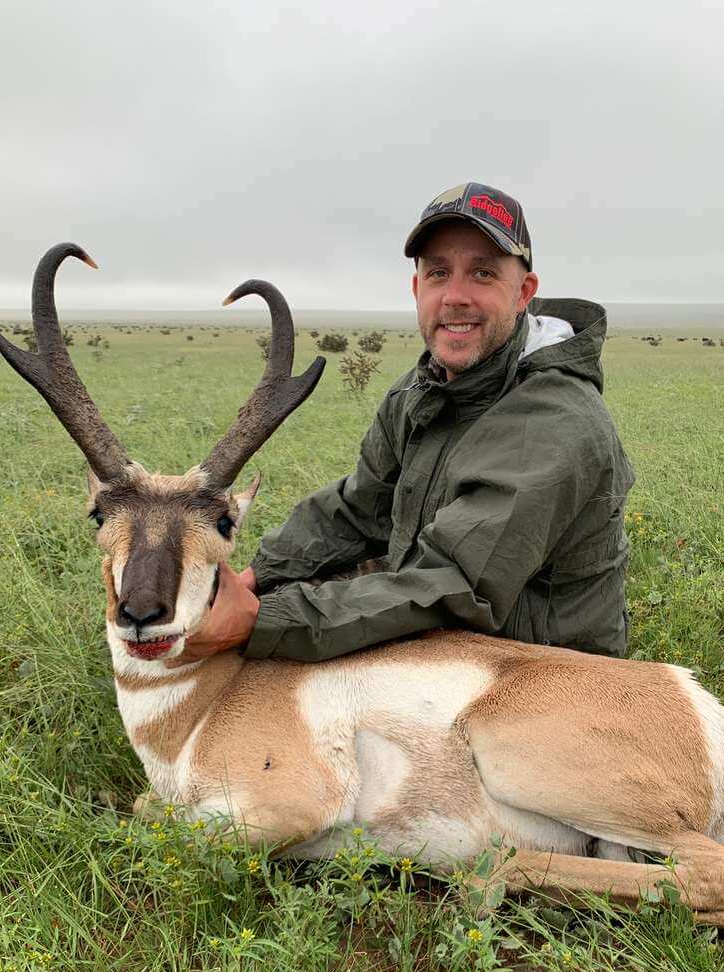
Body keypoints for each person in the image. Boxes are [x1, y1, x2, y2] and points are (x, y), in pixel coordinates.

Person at [181, 182, 635, 664]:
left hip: (545, 664)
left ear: (524, 293)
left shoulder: (557, 420)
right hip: (459, 630)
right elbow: (359, 508)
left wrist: (259, 619)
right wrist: (256, 578)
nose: (455, 296)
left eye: (483, 273)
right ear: (418, 288)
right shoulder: (419, 391)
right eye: (439, 273)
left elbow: (453, 583)